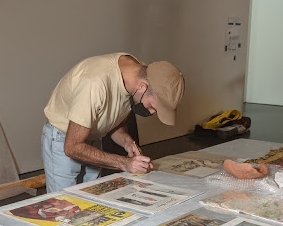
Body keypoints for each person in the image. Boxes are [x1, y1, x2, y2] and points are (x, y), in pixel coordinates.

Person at [41, 53, 185, 193]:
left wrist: (126, 141)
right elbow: (72, 147)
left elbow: (112, 119)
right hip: (64, 137)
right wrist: (125, 163)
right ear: (143, 86)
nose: (152, 112)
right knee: (63, 202)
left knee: (92, 195)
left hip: (92, 137)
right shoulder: (94, 83)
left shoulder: (137, 75)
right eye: (153, 106)